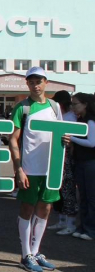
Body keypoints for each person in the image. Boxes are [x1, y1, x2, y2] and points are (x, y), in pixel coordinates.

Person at [9, 67, 63, 272]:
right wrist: (18, 169)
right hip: (30, 168)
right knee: (27, 208)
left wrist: (66, 139)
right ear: (27, 84)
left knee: (45, 209)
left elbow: (60, 133)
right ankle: (26, 255)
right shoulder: (22, 108)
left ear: (46, 82)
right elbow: (13, 139)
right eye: (31, 82)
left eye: (39, 81)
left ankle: (35, 251)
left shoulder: (55, 107)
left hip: (50, 168)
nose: (35, 85)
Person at [63, 93, 95, 241]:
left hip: (90, 162)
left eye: (75, 104)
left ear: (85, 104)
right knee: (83, 197)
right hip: (82, 162)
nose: (72, 107)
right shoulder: (81, 119)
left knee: (90, 197)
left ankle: (90, 230)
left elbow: (92, 143)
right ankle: (83, 227)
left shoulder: (90, 120)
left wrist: (72, 138)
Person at [49, 91, 78, 236]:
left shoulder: (70, 117)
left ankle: (70, 223)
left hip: (67, 158)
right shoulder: (60, 116)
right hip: (58, 156)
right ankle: (61, 220)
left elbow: (73, 139)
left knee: (68, 190)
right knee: (59, 189)